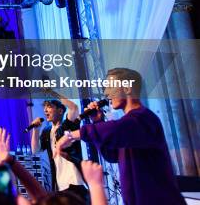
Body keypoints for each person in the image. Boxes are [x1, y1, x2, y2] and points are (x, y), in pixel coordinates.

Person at [56, 68, 186, 205]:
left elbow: (116, 129)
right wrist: (98, 121)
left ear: (128, 89)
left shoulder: (144, 118)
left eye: (110, 86)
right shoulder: (129, 127)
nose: (106, 93)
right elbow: (112, 155)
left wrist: (72, 135)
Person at [30, 97, 87, 200]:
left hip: (74, 181)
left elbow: (74, 107)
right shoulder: (47, 131)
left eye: (49, 106)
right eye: (45, 107)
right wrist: (36, 129)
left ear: (60, 111)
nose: (45, 110)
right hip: (60, 184)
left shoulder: (68, 125)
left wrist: (52, 93)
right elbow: (35, 150)